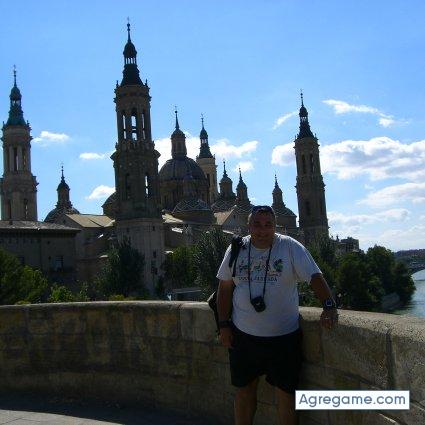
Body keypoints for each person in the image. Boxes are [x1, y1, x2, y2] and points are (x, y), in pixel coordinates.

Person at [216, 205, 338, 425]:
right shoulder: (236, 248)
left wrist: (329, 305)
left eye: (268, 225)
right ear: (248, 226)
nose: (262, 230)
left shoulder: (290, 246)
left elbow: (314, 276)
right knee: (244, 391)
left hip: (284, 338)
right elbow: (224, 288)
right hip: (243, 337)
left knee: (286, 394)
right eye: (257, 224)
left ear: (275, 226)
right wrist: (223, 325)